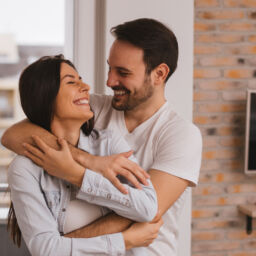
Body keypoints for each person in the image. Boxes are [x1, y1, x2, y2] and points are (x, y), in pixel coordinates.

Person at [2, 18, 202, 255]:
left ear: (159, 74)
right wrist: (89, 161)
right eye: (110, 68)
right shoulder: (92, 108)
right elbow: (13, 134)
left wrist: (60, 244)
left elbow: (146, 212)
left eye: (123, 72)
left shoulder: (181, 135)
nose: (109, 81)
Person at [6, 55, 163, 256]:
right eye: (71, 82)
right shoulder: (25, 169)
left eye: (81, 79)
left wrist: (78, 175)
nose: (86, 86)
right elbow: (45, 250)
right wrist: (124, 240)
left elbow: (148, 208)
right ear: (45, 95)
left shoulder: (108, 144)